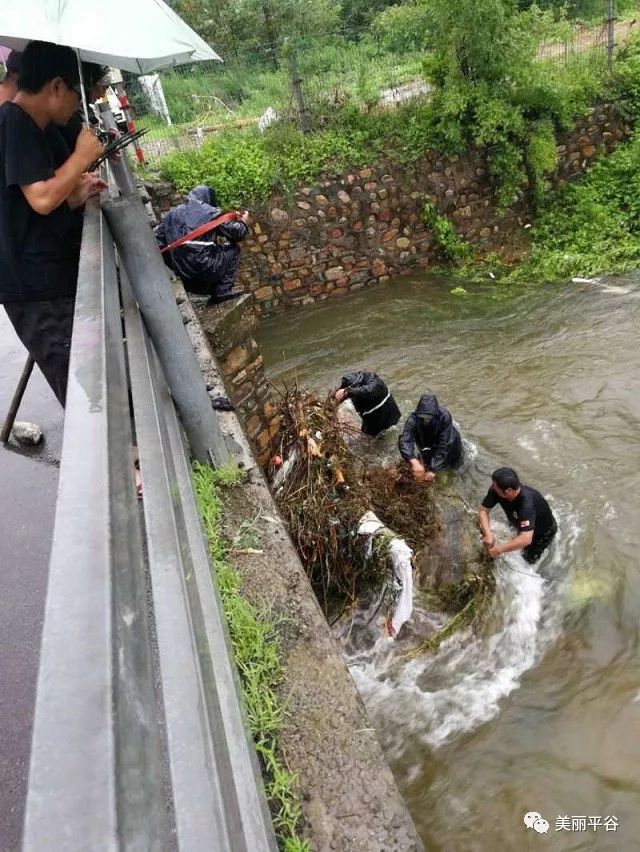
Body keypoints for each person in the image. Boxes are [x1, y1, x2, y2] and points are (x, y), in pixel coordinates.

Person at [0, 40, 105, 407]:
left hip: (48, 276)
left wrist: (75, 193)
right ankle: (121, 464)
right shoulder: (13, 122)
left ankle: (129, 458)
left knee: (90, 376)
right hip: (35, 289)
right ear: (56, 86)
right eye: (77, 94)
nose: (79, 104)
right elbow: (42, 199)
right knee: (82, 392)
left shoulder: (33, 126)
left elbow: (34, 201)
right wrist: (81, 156)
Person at [155, 184, 250, 304]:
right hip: (204, 270)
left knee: (211, 252)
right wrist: (242, 222)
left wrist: (178, 262)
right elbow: (237, 233)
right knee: (233, 249)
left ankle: (212, 288)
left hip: (184, 276)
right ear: (207, 198)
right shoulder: (209, 211)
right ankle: (223, 291)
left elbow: (160, 241)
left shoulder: (172, 213)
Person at [479, 467, 558, 564]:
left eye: (495, 486)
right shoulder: (496, 490)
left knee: (527, 560)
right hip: (519, 521)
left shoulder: (526, 505)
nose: (492, 487)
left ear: (508, 491)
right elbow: (483, 511)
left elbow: (526, 539)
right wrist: (488, 534)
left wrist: (498, 550)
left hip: (542, 533)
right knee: (512, 535)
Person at [398, 393, 463, 482]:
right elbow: (405, 439)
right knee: (426, 464)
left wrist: (433, 469)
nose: (425, 420)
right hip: (427, 443)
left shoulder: (444, 416)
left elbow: (445, 444)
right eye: (422, 417)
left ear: (435, 415)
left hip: (451, 444)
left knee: (454, 468)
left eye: (428, 418)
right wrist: (412, 459)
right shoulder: (413, 419)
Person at [334, 370, 401, 437]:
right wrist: (334, 400)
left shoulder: (376, 383)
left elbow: (368, 390)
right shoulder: (352, 385)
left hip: (388, 420)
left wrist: (348, 392)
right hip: (369, 420)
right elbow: (341, 393)